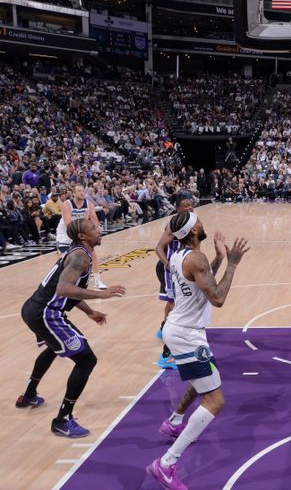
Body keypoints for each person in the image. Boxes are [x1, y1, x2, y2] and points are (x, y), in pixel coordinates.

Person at [147, 212, 249, 489]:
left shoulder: (181, 256)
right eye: (199, 222)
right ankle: (166, 464)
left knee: (205, 381)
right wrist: (232, 263)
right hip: (187, 335)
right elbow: (217, 297)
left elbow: (200, 280)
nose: (203, 224)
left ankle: (174, 420)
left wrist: (216, 259)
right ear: (193, 231)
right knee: (215, 401)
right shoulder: (195, 258)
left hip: (181, 330)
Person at [17, 219, 126, 437]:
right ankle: (63, 419)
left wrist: (89, 312)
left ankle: (29, 394)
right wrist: (101, 294)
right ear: (83, 236)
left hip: (34, 309)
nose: (99, 230)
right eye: (93, 228)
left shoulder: (78, 252)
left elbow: (70, 290)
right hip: (46, 314)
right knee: (86, 360)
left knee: (52, 347)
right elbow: (64, 288)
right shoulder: (80, 256)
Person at [154, 197, 195, 369]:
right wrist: (168, 264)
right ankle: (167, 355)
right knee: (176, 308)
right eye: (185, 205)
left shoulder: (192, 222)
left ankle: (164, 329)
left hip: (181, 267)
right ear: (177, 209)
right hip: (170, 269)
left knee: (173, 305)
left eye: (190, 204)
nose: (189, 207)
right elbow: (158, 247)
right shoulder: (173, 224)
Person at [55, 185, 108, 289]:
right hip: (66, 233)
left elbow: (94, 220)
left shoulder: (89, 204)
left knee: (93, 254)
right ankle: (58, 281)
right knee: (64, 259)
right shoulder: (67, 204)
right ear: (73, 194)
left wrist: (96, 232)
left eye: (83, 190)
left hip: (80, 232)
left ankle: (98, 282)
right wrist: (83, 221)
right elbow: (68, 224)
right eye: (79, 191)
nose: (82, 193)